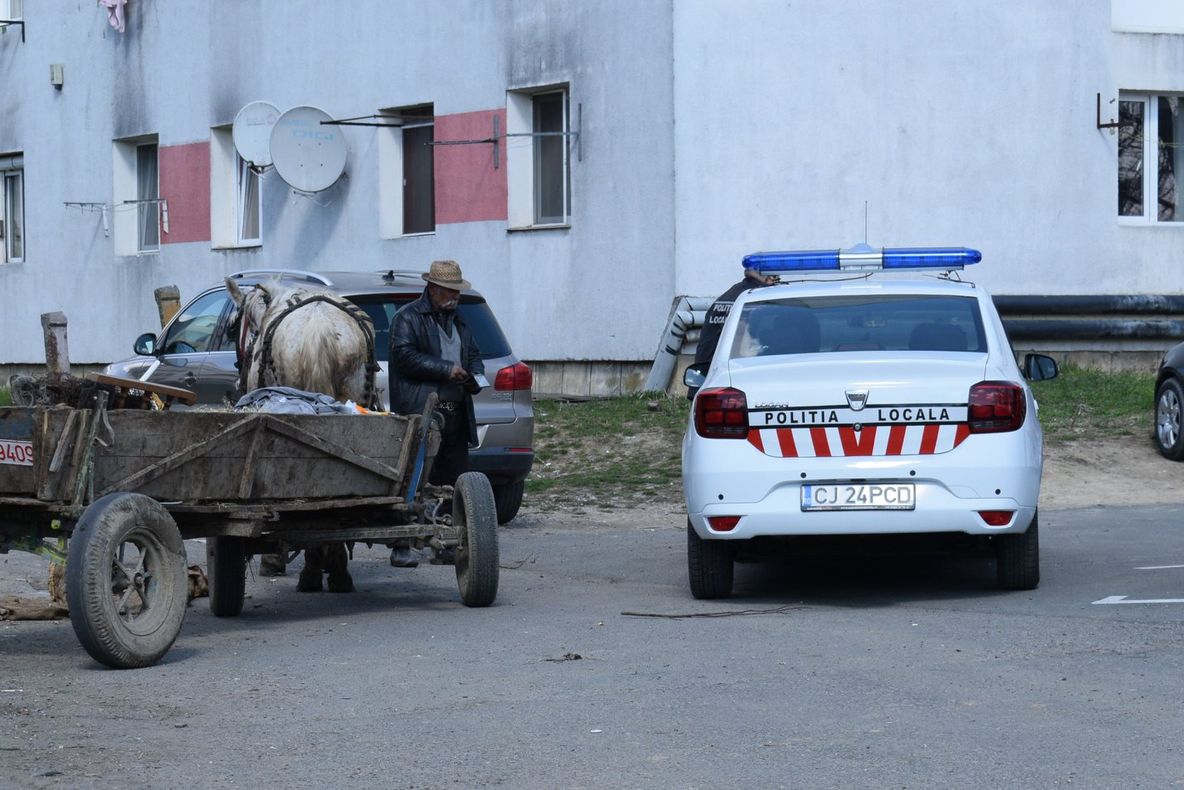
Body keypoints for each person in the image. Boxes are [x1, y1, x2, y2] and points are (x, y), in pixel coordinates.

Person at [388, 259, 485, 566]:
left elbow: (474, 356)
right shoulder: (408, 318)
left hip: (456, 412)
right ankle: (402, 544)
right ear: (431, 289)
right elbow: (404, 357)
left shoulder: (459, 322)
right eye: (448, 291)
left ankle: (445, 544)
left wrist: (475, 377)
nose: (454, 297)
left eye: (456, 291)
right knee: (415, 481)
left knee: (453, 482)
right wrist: (447, 371)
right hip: (423, 411)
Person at [687, 267, 778, 399]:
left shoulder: (733, 294)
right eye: (775, 277)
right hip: (732, 385)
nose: (775, 281)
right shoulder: (755, 300)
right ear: (767, 277)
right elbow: (746, 349)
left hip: (706, 380)